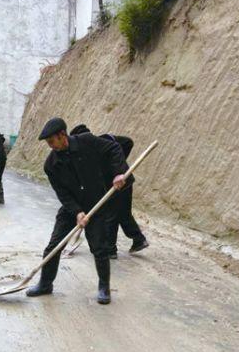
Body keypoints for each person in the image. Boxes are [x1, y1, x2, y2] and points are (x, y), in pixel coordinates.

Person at [26, 117, 129, 304]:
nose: (51, 146)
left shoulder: (87, 142)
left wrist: (118, 172)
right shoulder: (51, 165)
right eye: (48, 143)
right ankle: (45, 283)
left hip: (96, 204)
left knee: (99, 248)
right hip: (70, 208)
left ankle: (104, 287)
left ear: (62, 135)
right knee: (54, 246)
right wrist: (77, 212)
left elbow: (114, 148)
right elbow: (62, 193)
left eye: (52, 142)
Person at [69, 124, 149, 259]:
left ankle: (110, 250)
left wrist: (117, 165)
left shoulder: (100, 143)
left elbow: (128, 143)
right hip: (125, 182)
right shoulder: (102, 142)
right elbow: (127, 142)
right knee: (124, 213)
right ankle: (139, 240)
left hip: (119, 183)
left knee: (110, 215)